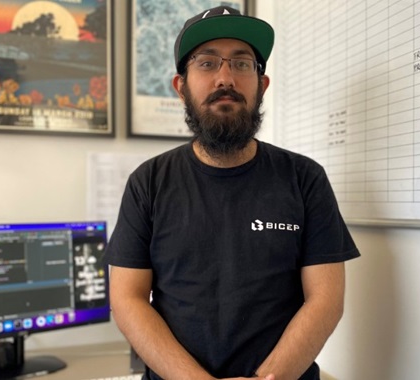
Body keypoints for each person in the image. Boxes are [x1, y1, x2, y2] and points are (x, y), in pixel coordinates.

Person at [104, 6, 360, 380]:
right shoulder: (149, 182)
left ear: (262, 84)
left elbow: (325, 300)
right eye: (207, 63)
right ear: (181, 86)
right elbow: (127, 299)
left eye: (242, 64)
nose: (226, 78)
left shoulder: (305, 178)